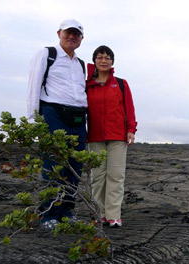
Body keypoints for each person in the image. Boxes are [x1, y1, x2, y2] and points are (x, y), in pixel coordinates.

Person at [26, 19, 87, 230]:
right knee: (52, 165)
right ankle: (48, 214)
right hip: (53, 114)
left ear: (81, 38)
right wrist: (33, 120)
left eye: (76, 34)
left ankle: (66, 212)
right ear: (59, 33)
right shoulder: (46, 54)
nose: (72, 37)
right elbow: (33, 86)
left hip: (79, 118)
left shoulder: (81, 64)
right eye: (68, 33)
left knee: (75, 165)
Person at [86, 45, 137, 228]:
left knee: (115, 175)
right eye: (100, 57)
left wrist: (131, 129)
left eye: (107, 58)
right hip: (95, 136)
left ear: (112, 61)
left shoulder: (121, 84)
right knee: (98, 176)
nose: (104, 60)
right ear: (94, 61)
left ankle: (114, 216)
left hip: (118, 136)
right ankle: (100, 215)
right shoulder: (87, 86)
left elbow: (129, 108)